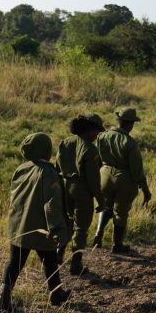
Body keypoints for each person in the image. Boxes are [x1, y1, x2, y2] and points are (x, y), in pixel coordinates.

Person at [0, 132, 72, 312]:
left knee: (15, 262)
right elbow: (51, 204)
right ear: (45, 150)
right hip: (41, 228)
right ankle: (56, 293)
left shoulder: (22, 168)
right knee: (50, 260)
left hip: (18, 226)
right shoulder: (49, 173)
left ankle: (2, 298)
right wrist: (58, 229)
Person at [93, 108, 151, 254]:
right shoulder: (130, 143)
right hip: (123, 178)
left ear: (118, 120)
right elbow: (137, 170)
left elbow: (97, 159)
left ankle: (98, 234)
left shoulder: (102, 136)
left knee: (106, 206)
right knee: (120, 213)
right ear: (131, 125)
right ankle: (117, 245)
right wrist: (145, 189)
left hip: (104, 174)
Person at [55, 113, 106, 275]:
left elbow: (57, 166)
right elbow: (93, 179)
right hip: (81, 189)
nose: (97, 136)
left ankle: (58, 253)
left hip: (64, 186)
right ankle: (76, 265)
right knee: (81, 227)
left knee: (67, 221)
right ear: (91, 131)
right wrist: (100, 199)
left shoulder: (65, 142)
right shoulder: (90, 149)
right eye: (97, 132)